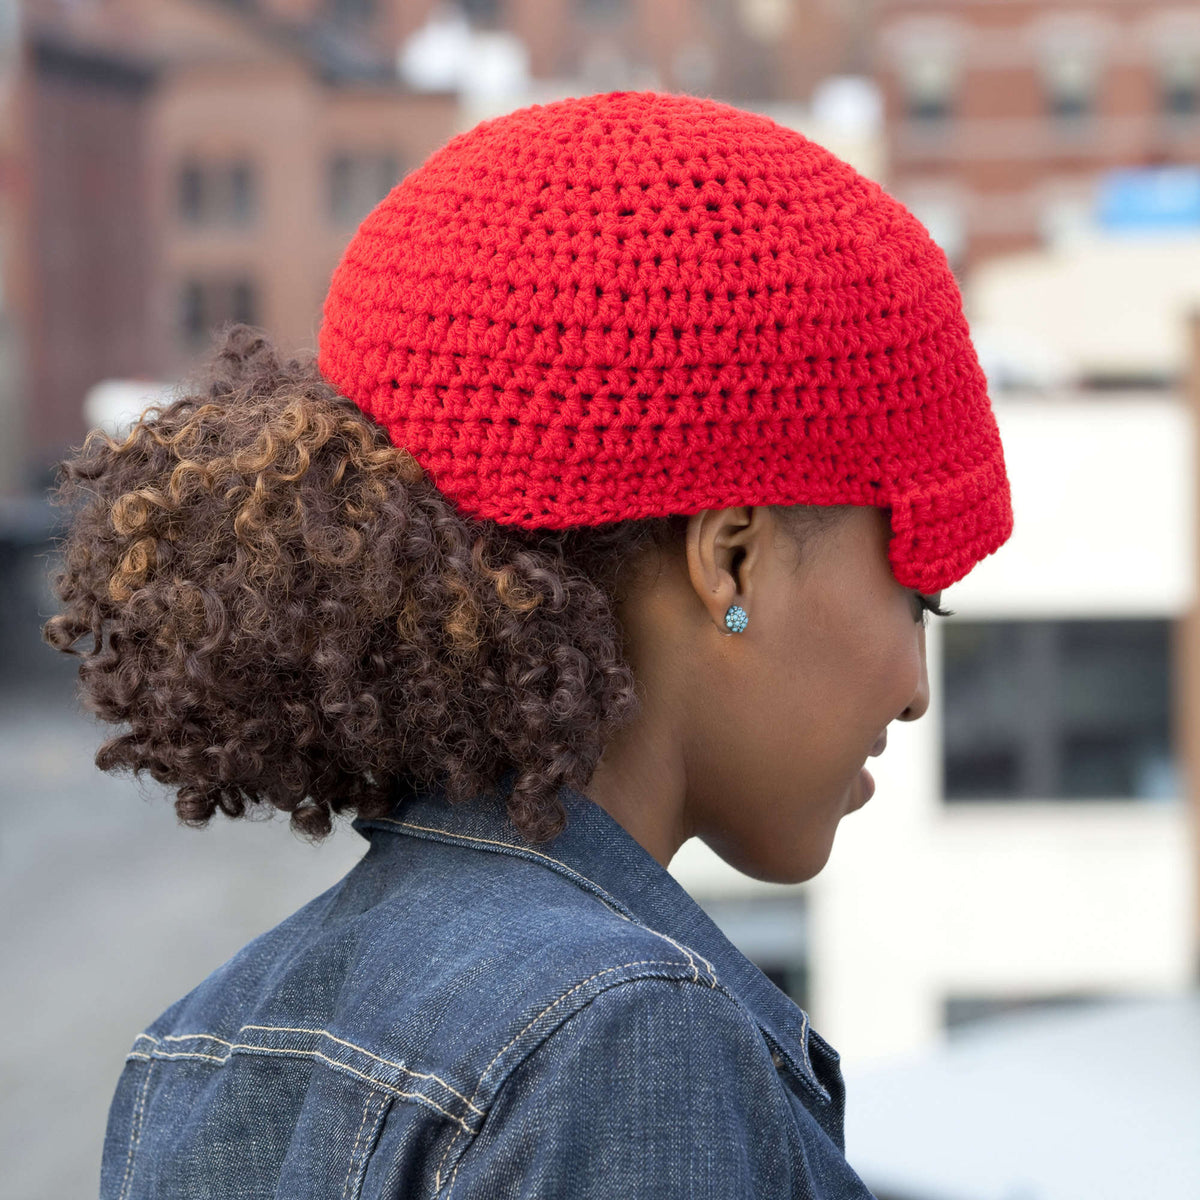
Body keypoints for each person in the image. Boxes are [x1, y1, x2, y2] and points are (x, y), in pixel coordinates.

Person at [46, 90, 1013, 1198]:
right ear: (732, 561)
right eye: (918, 597)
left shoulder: (210, 1038)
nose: (915, 695)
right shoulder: (628, 1042)